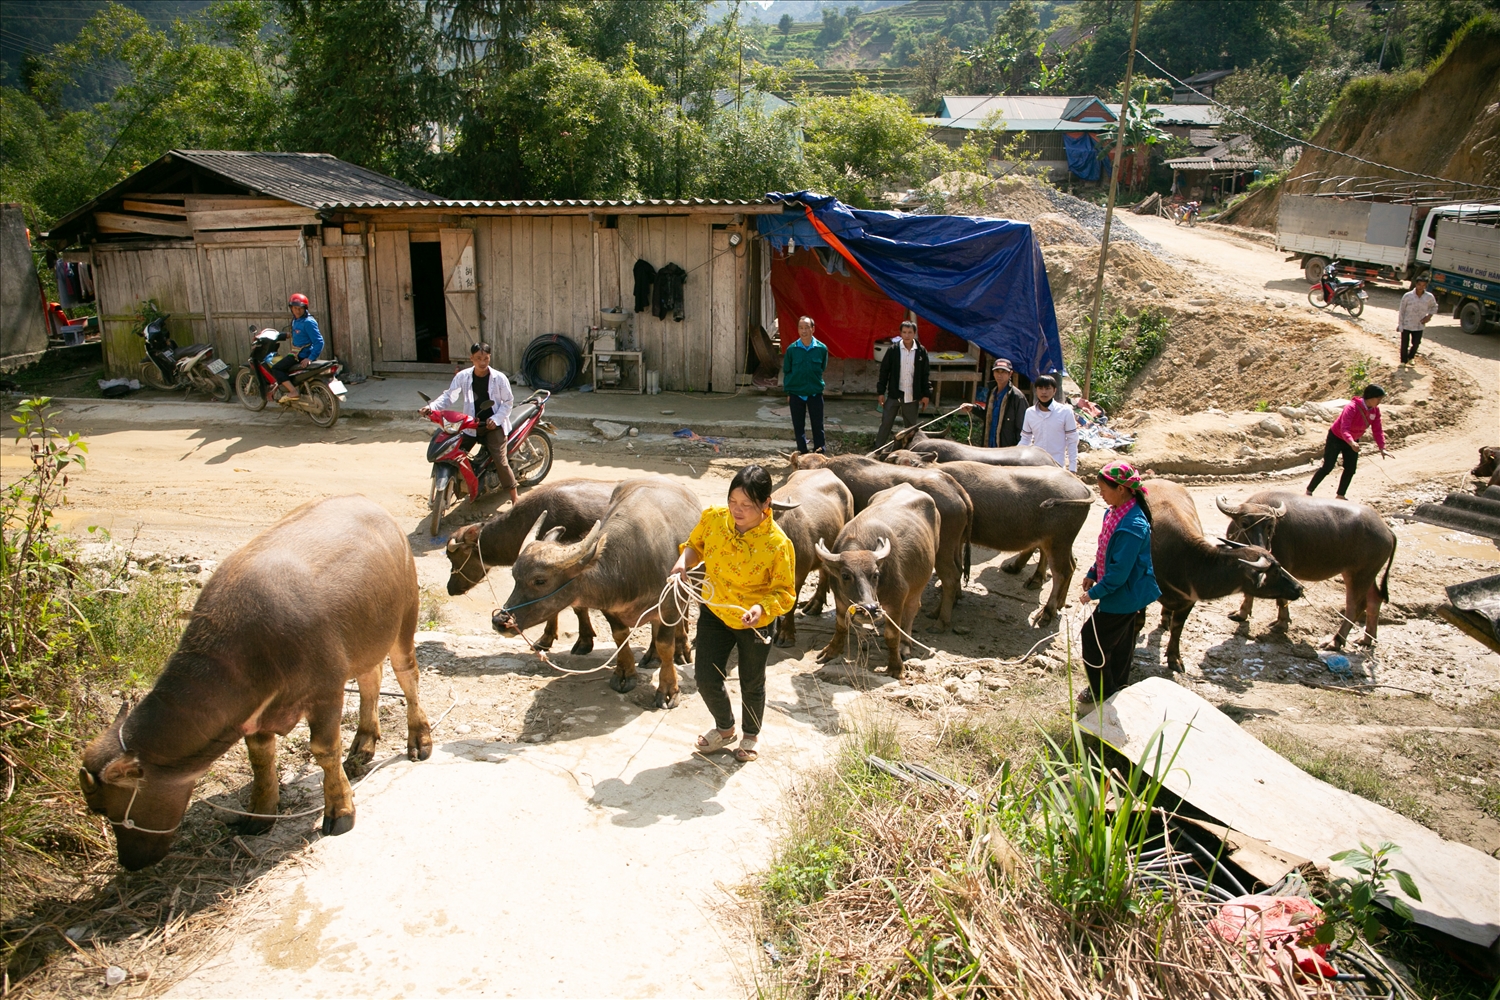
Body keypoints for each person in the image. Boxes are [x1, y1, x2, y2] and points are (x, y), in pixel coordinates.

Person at [670, 465, 796, 763]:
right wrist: (682, 563)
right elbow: (695, 546)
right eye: (733, 502)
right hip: (716, 610)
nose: (737, 511)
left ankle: (751, 734)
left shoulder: (778, 544)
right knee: (705, 677)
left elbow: (784, 592)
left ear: (766, 505)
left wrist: (759, 609)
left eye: (747, 506)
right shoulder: (714, 518)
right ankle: (725, 727)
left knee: (752, 680)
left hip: (754, 620)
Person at [1078, 460, 1159, 705]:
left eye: (1104, 490)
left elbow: (1119, 574)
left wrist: (1093, 594)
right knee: (1122, 642)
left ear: (1121, 489)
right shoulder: (1114, 513)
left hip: (1125, 595)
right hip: (1125, 592)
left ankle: (1100, 690)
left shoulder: (1132, 526)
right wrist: (1093, 571)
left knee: (1091, 640)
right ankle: (1118, 685)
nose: (1101, 495)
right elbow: (1105, 550)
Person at [422, 342, 519, 506]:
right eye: (479, 358)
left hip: (493, 426)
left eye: (486, 358)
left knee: (500, 461)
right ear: (471, 358)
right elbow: (449, 397)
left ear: (490, 358)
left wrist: (495, 420)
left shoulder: (499, 378)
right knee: (452, 450)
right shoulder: (463, 376)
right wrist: (431, 407)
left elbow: (508, 402)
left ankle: (515, 497)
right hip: (470, 425)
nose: (482, 363)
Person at [1307, 384, 1388, 500]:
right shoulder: (1352, 407)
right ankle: (1309, 491)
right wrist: (1351, 442)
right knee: (1328, 466)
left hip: (1353, 440)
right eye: (1378, 398)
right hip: (1337, 437)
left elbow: (1377, 429)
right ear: (1370, 397)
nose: (1380, 401)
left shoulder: (1375, 411)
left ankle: (1340, 495)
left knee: (1350, 469)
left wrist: (1382, 448)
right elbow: (1344, 428)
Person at [874, 320, 931, 448]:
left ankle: (911, 451)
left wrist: (926, 394)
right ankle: (877, 451)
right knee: (886, 423)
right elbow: (884, 371)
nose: (907, 335)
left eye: (910, 332)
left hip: (911, 396)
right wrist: (881, 392)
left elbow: (925, 374)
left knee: (911, 428)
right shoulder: (893, 350)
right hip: (894, 394)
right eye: (904, 332)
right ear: (900, 333)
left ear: (914, 333)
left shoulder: (921, 352)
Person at [782, 316, 829, 454]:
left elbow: (822, 367)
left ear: (813, 329)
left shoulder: (821, 349)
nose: (804, 331)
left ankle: (819, 452)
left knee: (818, 425)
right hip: (797, 394)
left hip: (815, 393)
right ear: (798, 330)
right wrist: (789, 392)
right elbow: (787, 370)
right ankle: (802, 452)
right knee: (798, 426)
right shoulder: (792, 350)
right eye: (801, 328)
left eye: (807, 327)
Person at [963, 358, 1027, 448]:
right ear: (993, 373)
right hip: (990, 445)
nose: (999, 375)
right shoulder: (992, 392)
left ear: (1010, 374)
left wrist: (1018, 450)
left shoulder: (1016, 397)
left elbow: (1022, 427)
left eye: (1003, 372)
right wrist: (973, 408)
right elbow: (988, 416)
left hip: (1007, 449)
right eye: (997, 371)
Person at [1020, 373, 1078, 472]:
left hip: (1057, 467)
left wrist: (1073, 468)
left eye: (1047, 388)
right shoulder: (1030, 413)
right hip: (1036, 466)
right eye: (1040, 388)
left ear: (1054, 390)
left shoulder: (1065, 412)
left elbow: (1072, 441)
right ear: (1036, 390)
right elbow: (1025, 439)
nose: (1044, 392)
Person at [272, 293, 324, 402]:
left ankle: (293, 391)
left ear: (305, 308)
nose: (298, 311)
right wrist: (287, 335)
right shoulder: (296, 320)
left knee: (276, 368)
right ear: (291, 308)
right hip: (297, 353)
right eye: (295, 308)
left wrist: (310, 358)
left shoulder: (308, 322)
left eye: (300, 308)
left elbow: (319, 342)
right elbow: (301, 334)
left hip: (301, 355)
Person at [1397, 276, 1437, 365]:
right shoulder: (1408, 296)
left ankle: (1411, 357)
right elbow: (1402, 310)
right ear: (1416, 284)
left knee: (1416, 343)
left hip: (1419, 325)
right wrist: (1400, 324)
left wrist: (1429, 316)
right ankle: (1403, 361)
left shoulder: (1429, 297)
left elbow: (1434, 306)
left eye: (1423, 285)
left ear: (1426, 286)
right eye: (1419, 285)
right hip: (1407, 324)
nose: (1421, 287)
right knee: (1404, 344)